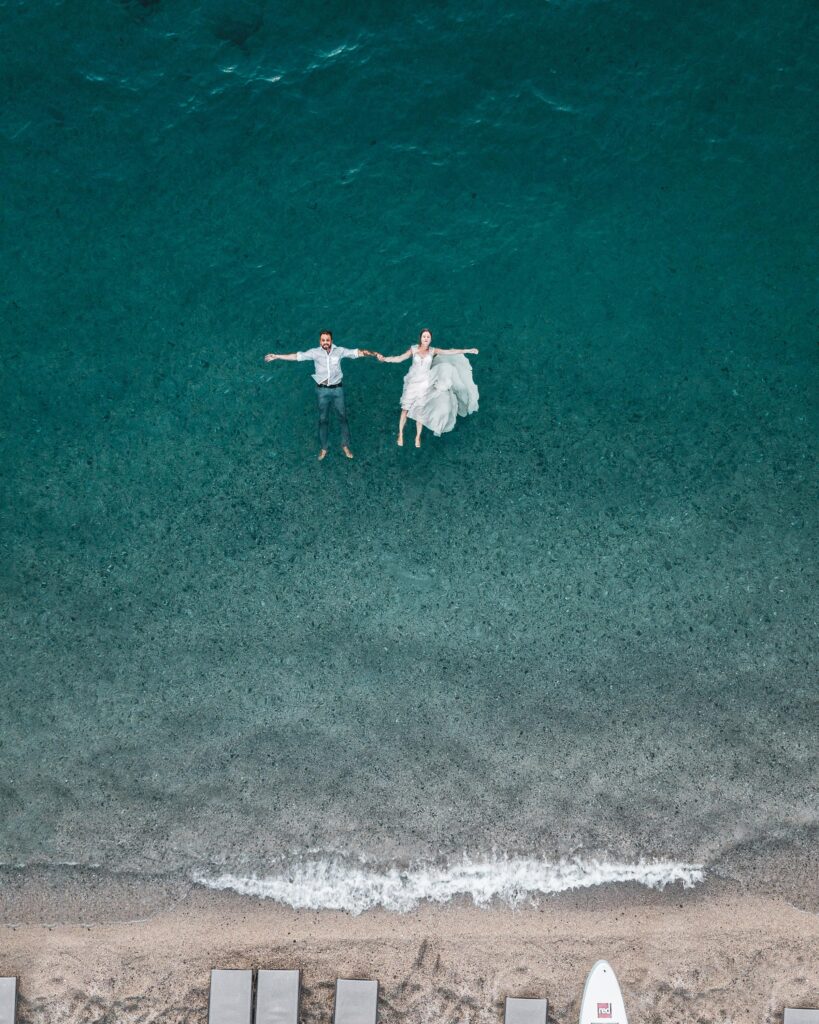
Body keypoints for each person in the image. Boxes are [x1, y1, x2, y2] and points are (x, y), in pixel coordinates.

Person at [264, 331, 379, 460]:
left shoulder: (339, 351)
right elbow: (297, 356)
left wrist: (374, 354)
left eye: (327, 340)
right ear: (320, 341)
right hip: (322, 391)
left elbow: (358, 352)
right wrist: (277, 356)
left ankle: (345, 445)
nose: (325, 342)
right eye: (323, 340)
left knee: (343, 418)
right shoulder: (315, 353)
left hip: (337, 390)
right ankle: (324, 448)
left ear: (331, 340)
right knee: (323, 420)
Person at [377, 329, 479, 447]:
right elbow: (400, 358)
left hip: (425, 382)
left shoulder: (432, 350)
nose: (426, 338)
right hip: (413, 382)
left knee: (420, 409)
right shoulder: (414, 349)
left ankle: (417, 437)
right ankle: (400, 434)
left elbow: (449, 352)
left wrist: (468, 350)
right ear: (420, 338)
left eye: (428, 337)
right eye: (424, 336)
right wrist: (385, 359)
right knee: (405, 408)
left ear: (430, 339)